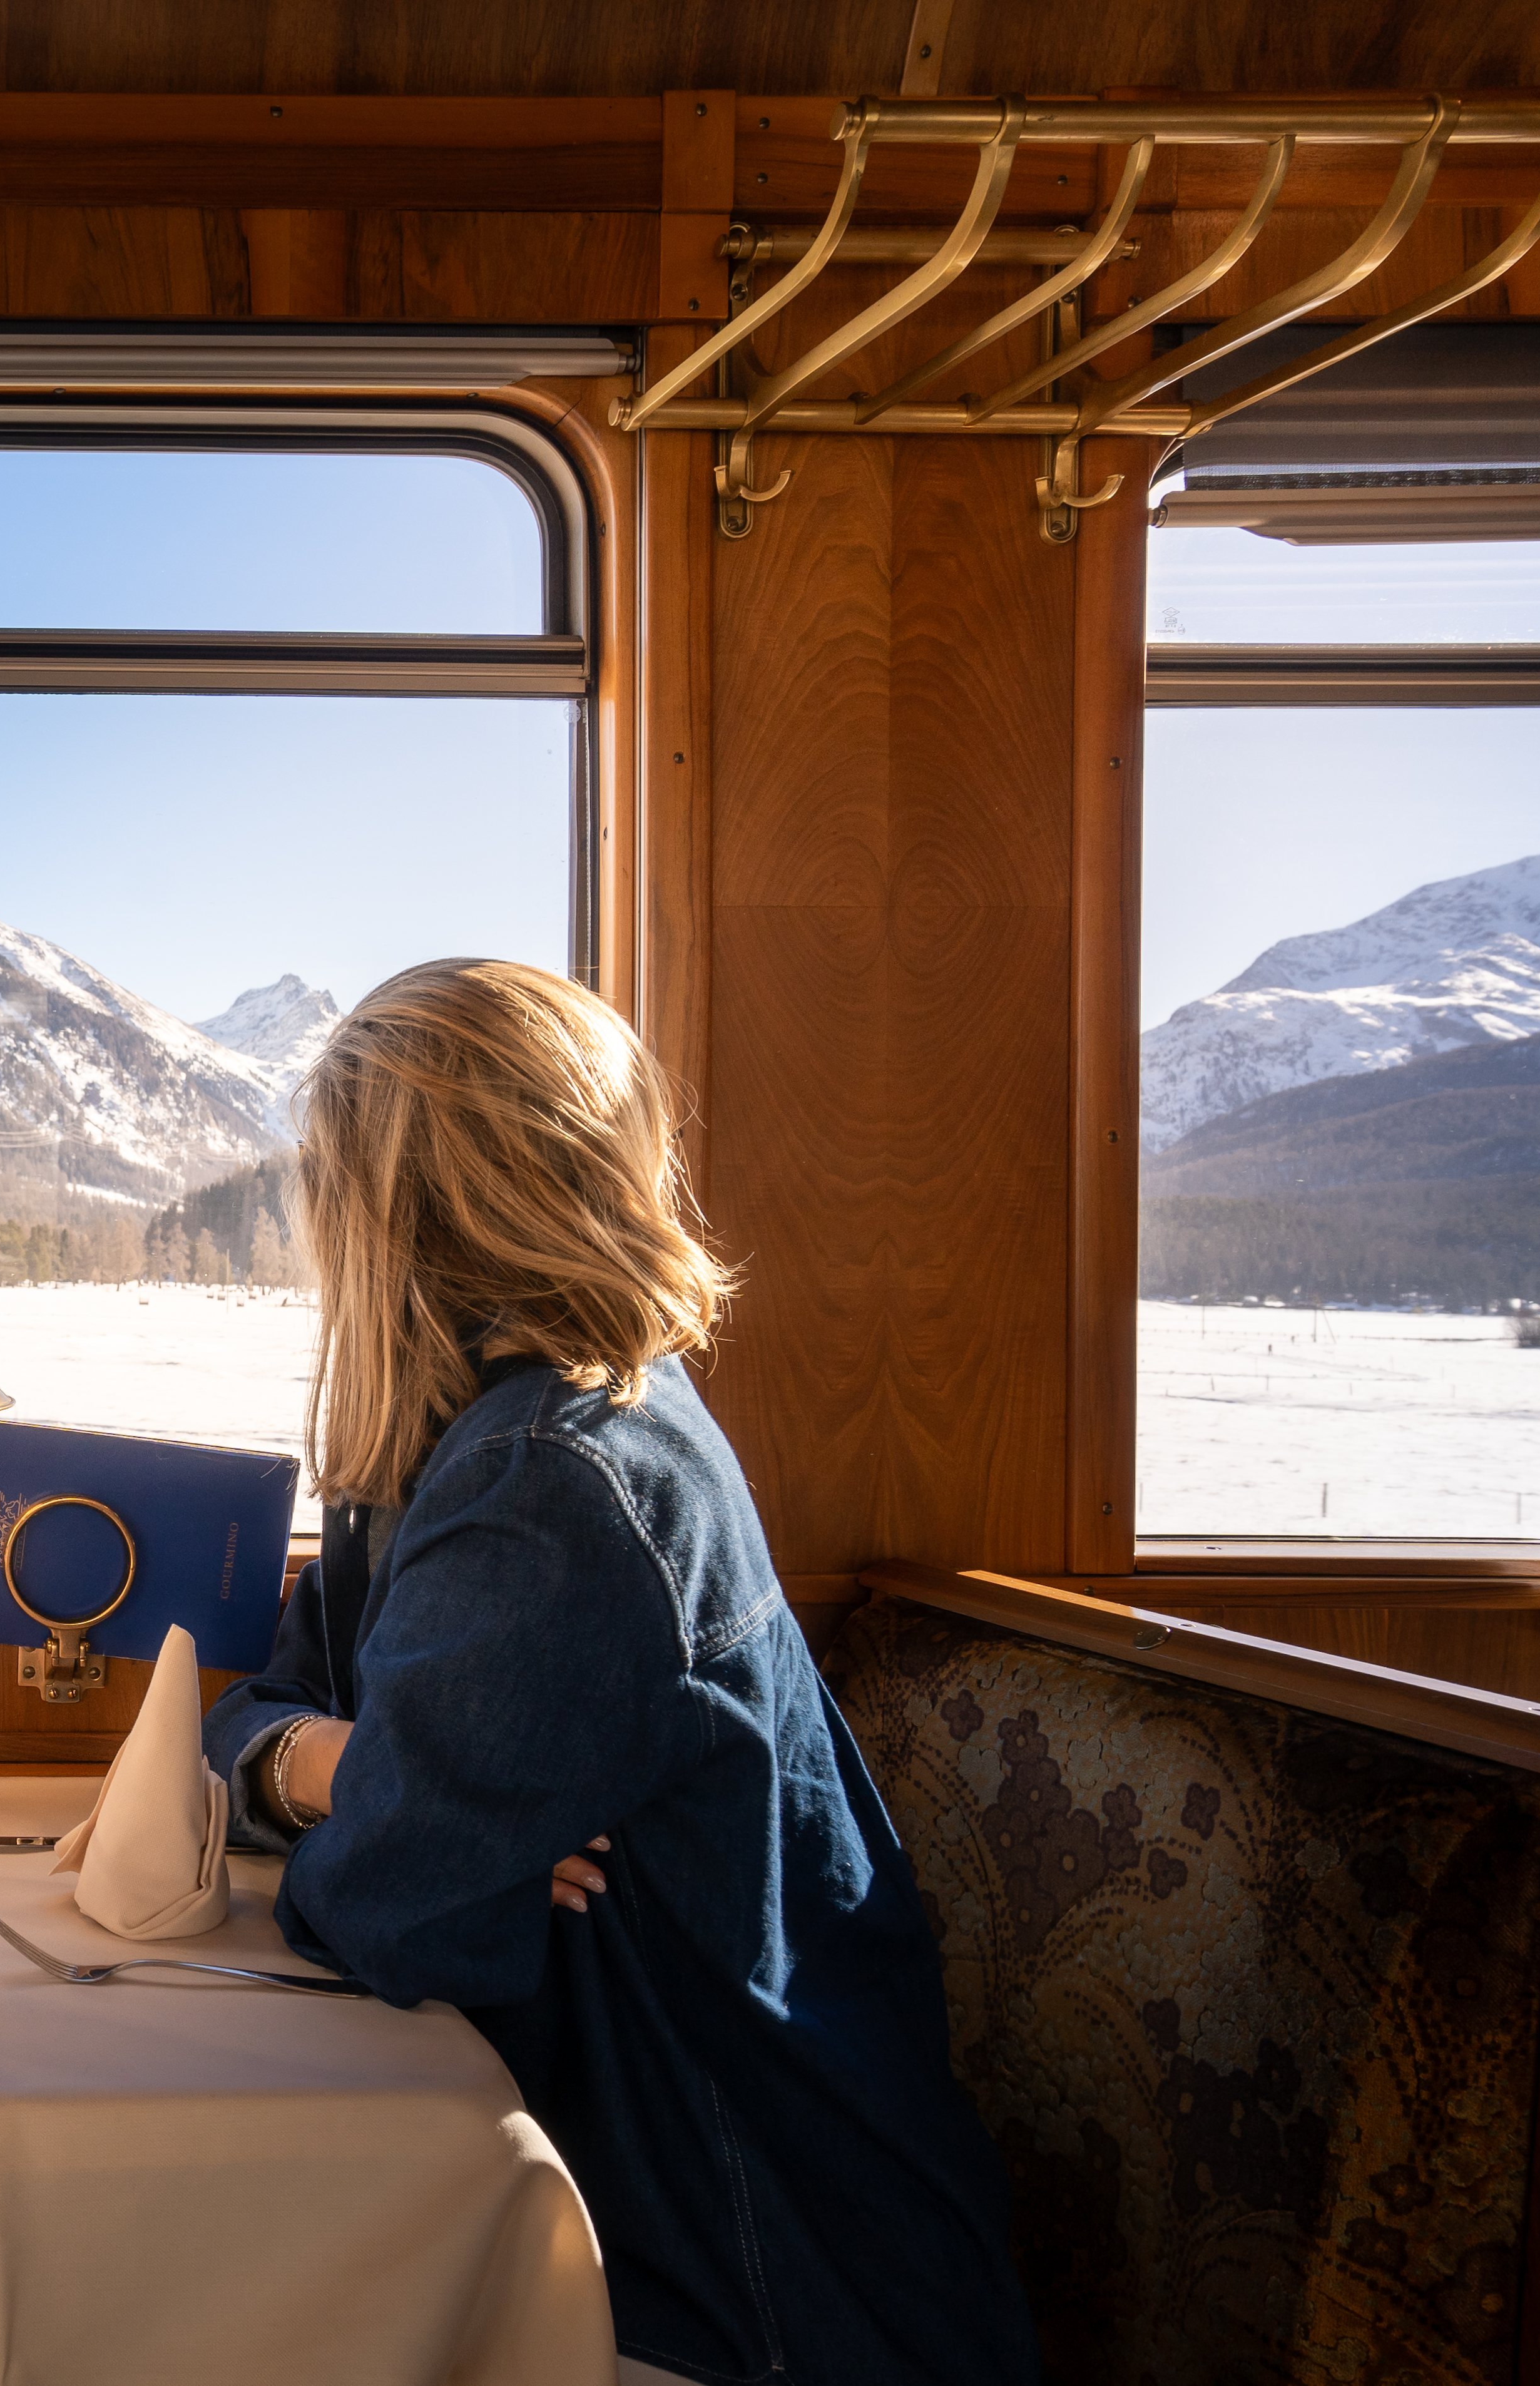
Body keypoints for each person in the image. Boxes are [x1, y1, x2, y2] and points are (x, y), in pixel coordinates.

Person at [205, 958, 1036, 2386]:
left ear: (386, 1212)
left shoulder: (554, 1480)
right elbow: (252, 1716)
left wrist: (398, 1824)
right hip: (655, 2196)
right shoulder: (444, 1441)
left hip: (753, 2277)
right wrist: (341, 1767)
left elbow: (399, 1920)